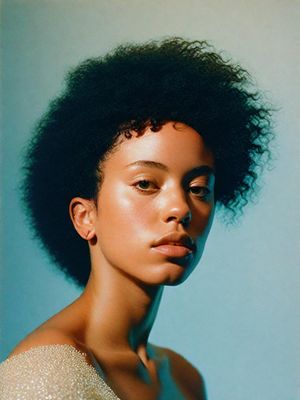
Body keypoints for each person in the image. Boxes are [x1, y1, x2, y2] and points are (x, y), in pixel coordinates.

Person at [0, 37, 273, 399]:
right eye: (146, 183)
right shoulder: (46, 378)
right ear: (85, 217)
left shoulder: (185, 379)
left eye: (198, 187)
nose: (180, 208)